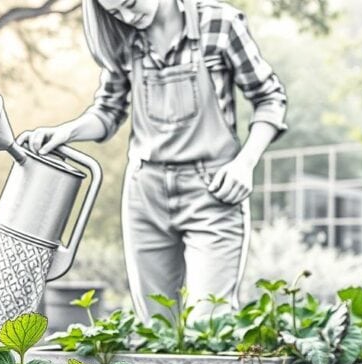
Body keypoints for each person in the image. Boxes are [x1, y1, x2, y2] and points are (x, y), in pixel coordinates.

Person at [18, 0, 287, 322]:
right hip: (145, 193)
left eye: (131, 4)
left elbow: (269, 98)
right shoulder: (125, 39)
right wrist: (66, 132)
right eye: (117, 12)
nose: (129, 17)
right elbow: (108, 112)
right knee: (156, 327)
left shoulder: (219, 23)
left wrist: (244, 163)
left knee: (211, 321)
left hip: (213, 190)